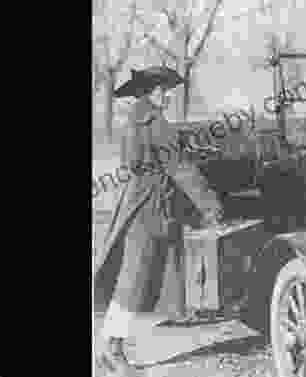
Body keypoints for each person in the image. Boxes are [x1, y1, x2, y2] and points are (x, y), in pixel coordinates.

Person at [93, 66, 224, 376]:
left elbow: (136, 161)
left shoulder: (135, 119)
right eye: (161, 90)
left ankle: (109, 352)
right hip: (151, 206)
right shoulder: (155, 122)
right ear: (147, 92)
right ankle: (112, 350)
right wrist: (211, 205)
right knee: (135, 280)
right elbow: (181, 170)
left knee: (136, 277)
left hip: (139, 202)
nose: (166, 95)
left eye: (167, 89)